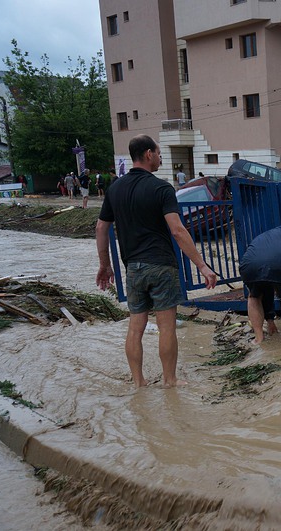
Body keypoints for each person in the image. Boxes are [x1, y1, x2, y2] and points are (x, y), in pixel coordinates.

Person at [95, 134, 217, 388]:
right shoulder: (161, 188)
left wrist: (105, 265)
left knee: (135, 327)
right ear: (149, 154)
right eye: (159, 153)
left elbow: (101, 228)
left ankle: (139, 382)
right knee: (166, 327)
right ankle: (170, 381)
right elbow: (177, 230)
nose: (161, 158)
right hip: (161, 265)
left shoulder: (114, 188)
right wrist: (202, 265)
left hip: (133, 268)